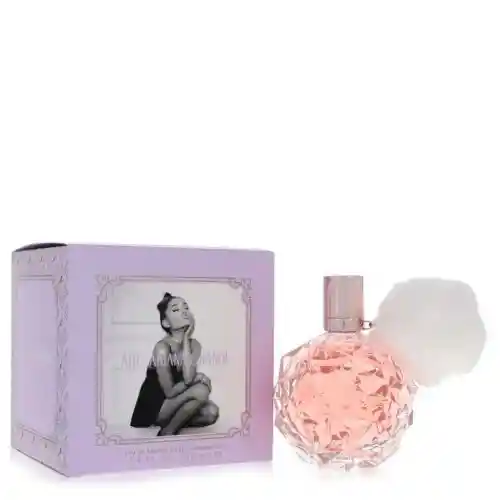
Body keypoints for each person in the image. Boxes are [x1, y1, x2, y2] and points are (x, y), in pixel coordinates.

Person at [130, 293, 219, 436]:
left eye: (186, 308)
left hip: (175, 403)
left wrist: (186, 339)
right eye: (176, 310)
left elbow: (188, 377)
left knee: (211, 412)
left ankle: (176, 422)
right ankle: (168, 430)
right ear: (166, 323)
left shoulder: (194, 345)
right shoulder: (162, 347)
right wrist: (197, 378)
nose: (184, 312)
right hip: (155, 407)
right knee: (201, 391)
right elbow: (170, 391)